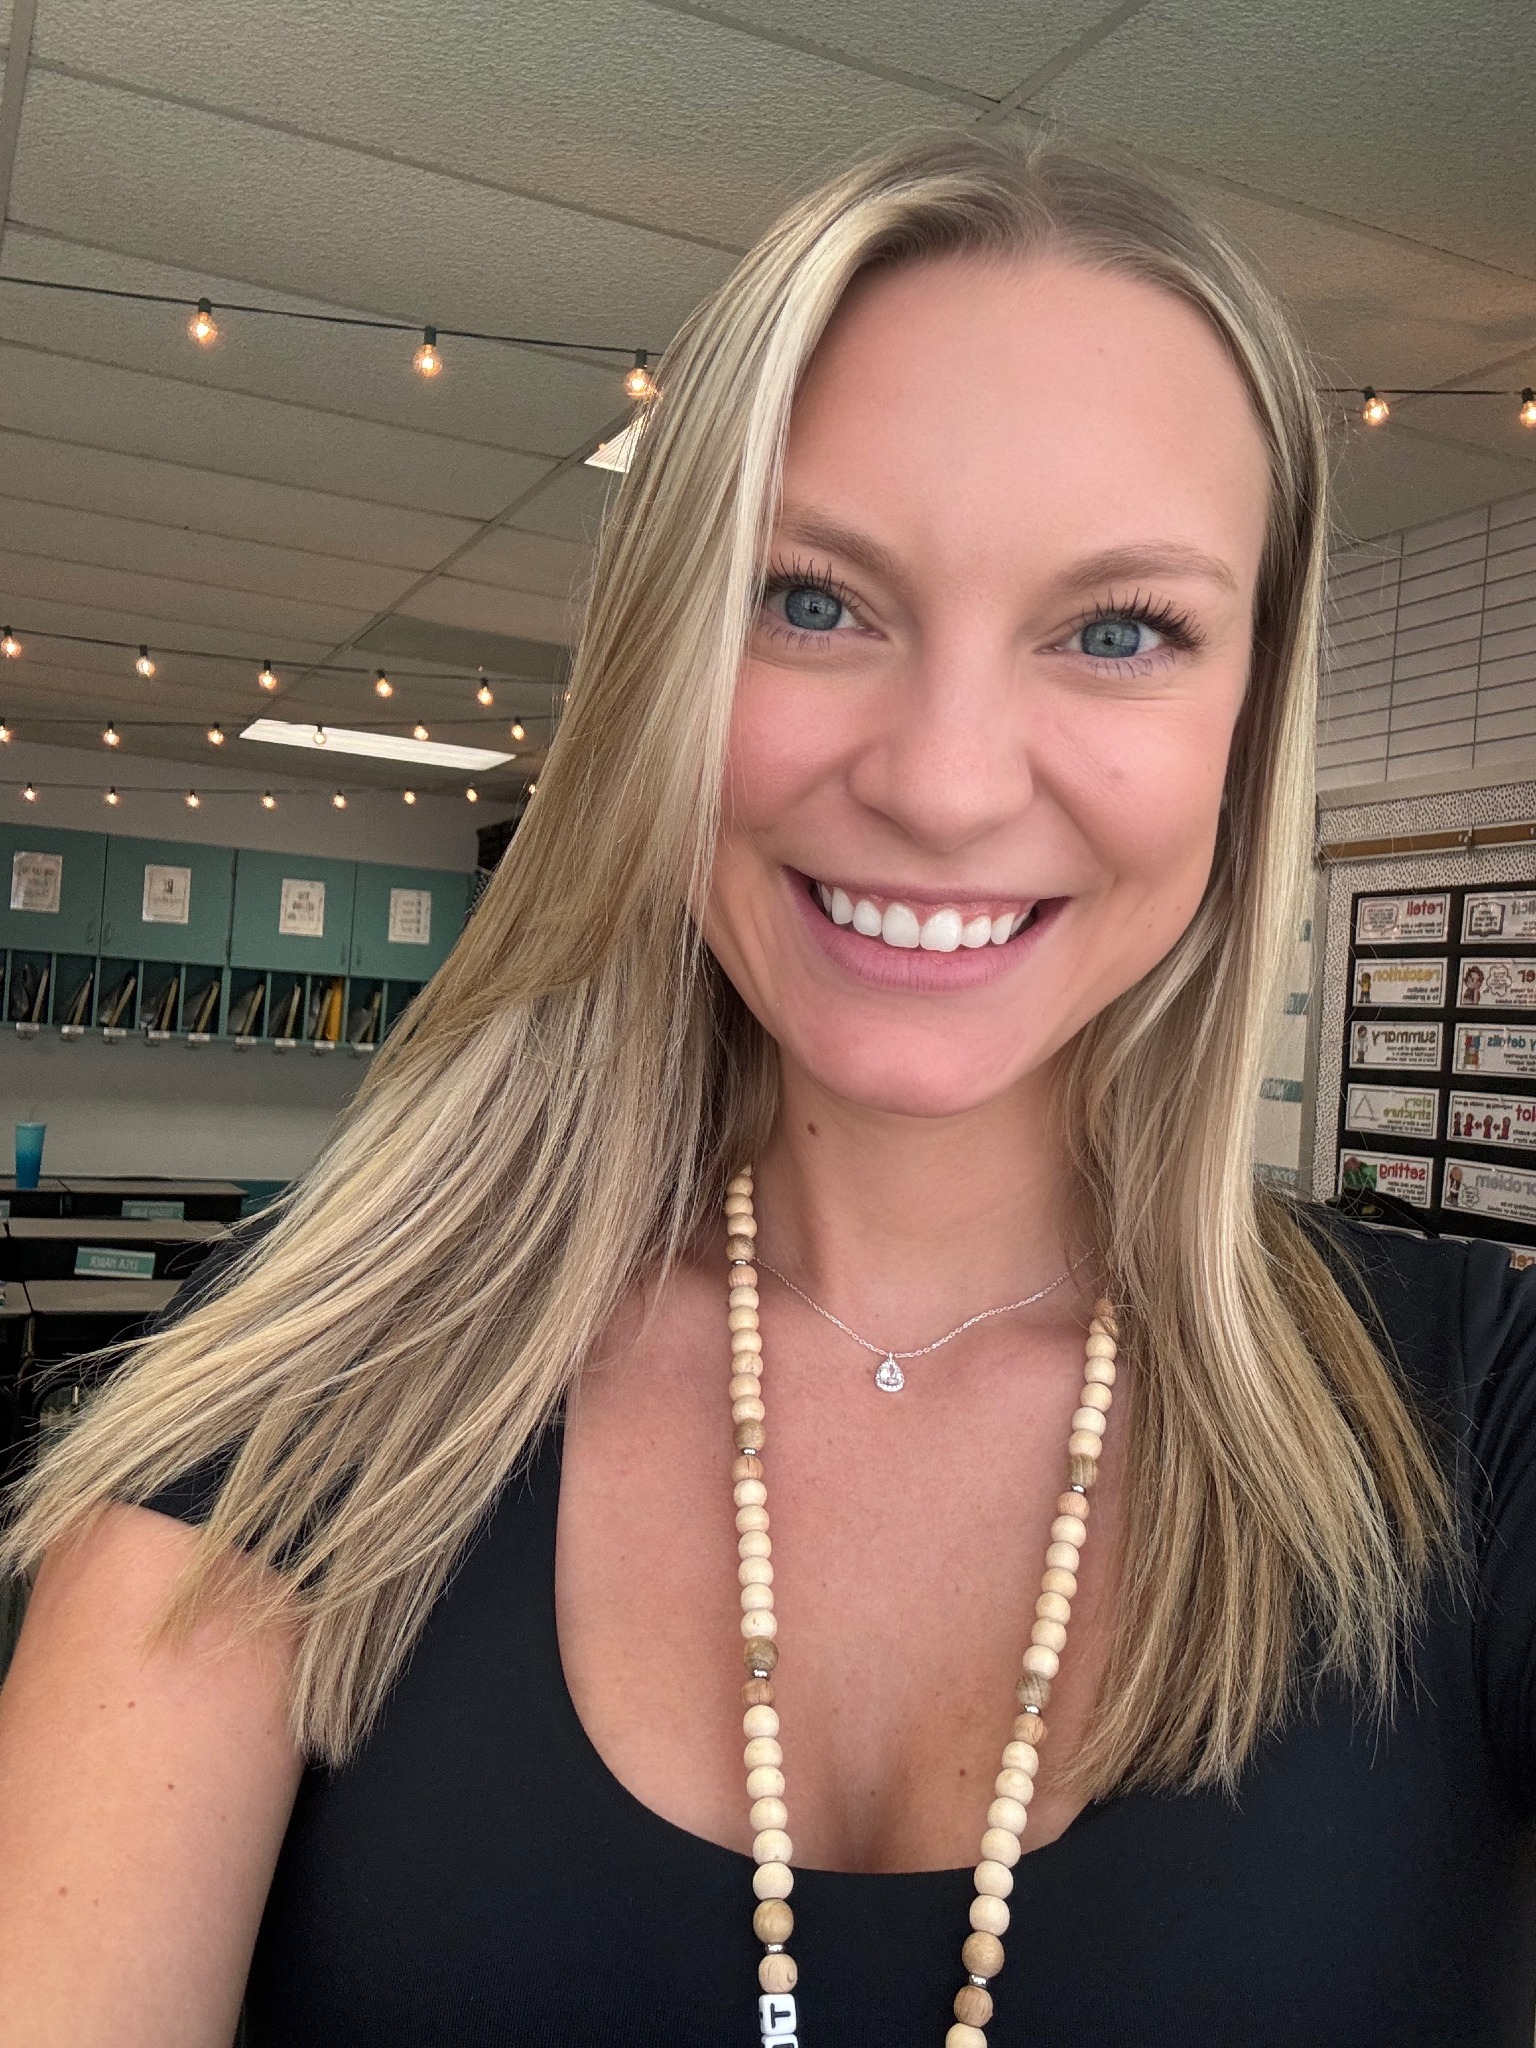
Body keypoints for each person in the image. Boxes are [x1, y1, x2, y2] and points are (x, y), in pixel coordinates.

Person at [0, 131, 1532, 2048]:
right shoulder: (313, 1386)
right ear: (662, 659)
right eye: (813, 600)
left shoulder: (1479, 1417)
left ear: (1249, 720)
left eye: (1120, 632)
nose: (945, 783)